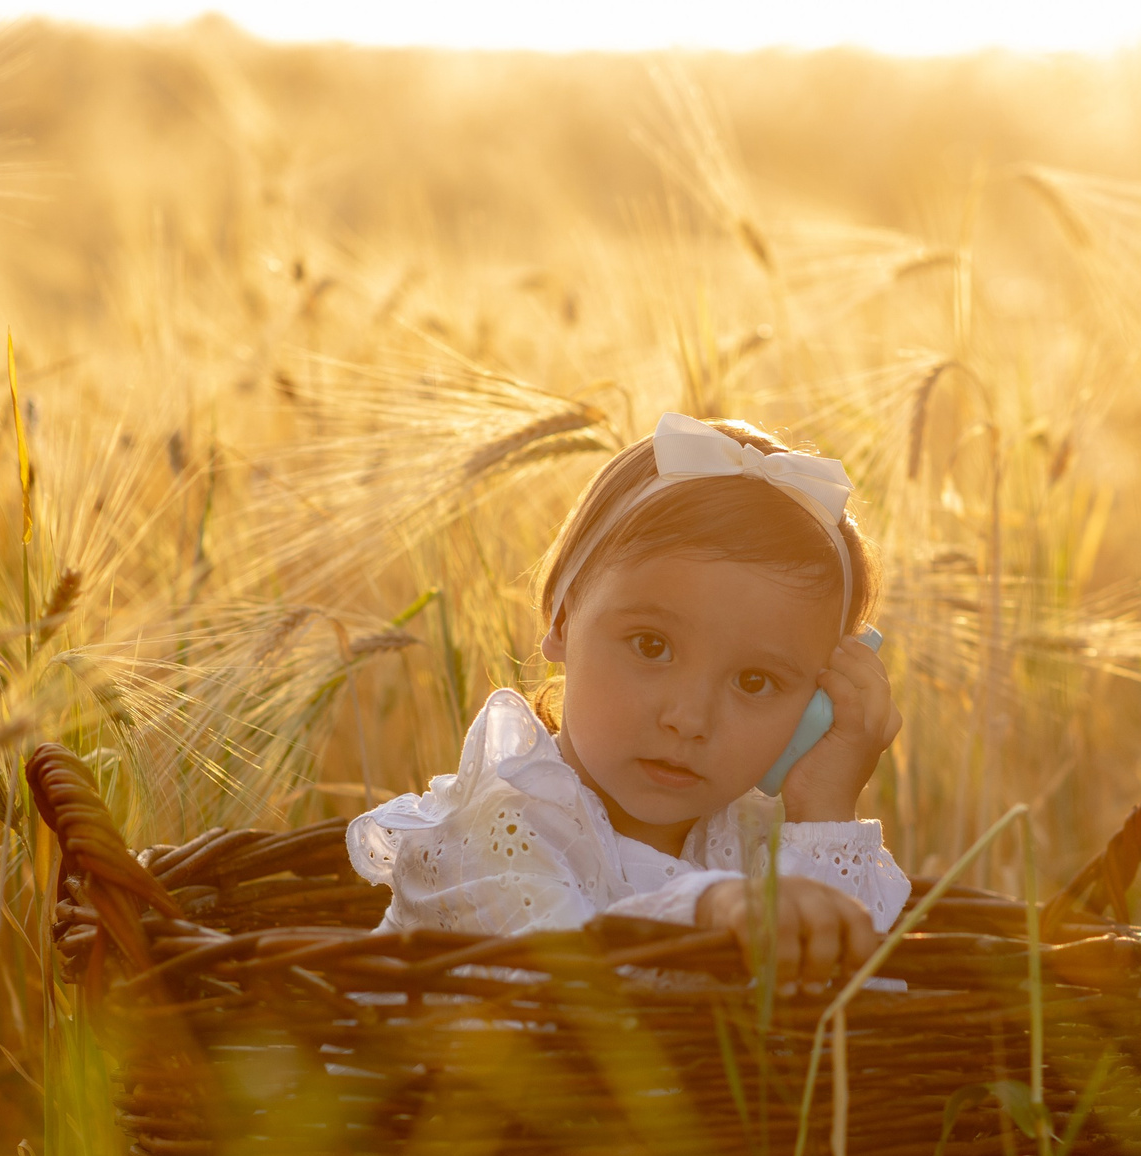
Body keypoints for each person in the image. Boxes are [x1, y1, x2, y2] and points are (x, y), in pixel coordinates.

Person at [348, 412, 906, 987]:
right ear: (563, 618)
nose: (689, 719)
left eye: (755, 682)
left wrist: (824, 811)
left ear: (815, 703)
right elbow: (575, 995)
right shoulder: (493, 826)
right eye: (651, 646)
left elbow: (851, 1027)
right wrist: (707, 909)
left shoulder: (759, 842)